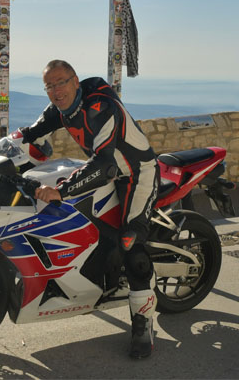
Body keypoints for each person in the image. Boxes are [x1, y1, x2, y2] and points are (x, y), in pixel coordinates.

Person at [19, 59, 160, 359]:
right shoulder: (61, 109)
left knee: (130, 242)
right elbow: (29, 134)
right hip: (106, 172)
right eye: (49, 85)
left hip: (136, 172)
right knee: (82, 224)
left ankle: (143, 324)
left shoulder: (100, 107)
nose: (56, 91)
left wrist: (63, 190)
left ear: (75, 81)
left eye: (61, 82)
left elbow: (105, 163)